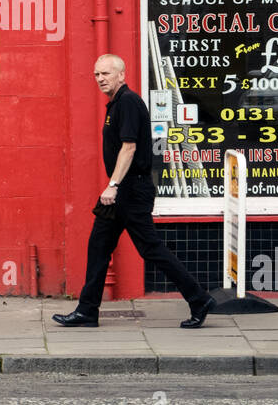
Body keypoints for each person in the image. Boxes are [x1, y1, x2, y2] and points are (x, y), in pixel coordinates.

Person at [53, 53, 216, 329]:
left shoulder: (128, 102)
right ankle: (87, 311)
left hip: (130, 190)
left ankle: (199, 298)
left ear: (121, 75)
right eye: (96, 74)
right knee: (98, 246)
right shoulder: (116, 104)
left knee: (151, 249)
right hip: (121, 191)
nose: (100, 79)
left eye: (106, 73)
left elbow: (129, 148)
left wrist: (113, 185)